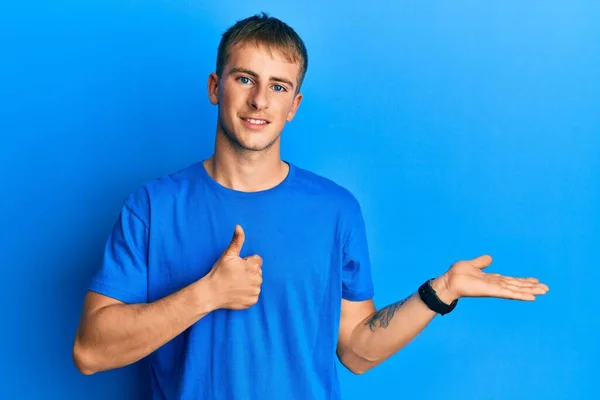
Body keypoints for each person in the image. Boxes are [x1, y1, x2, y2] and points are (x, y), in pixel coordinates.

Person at [72, 12, 549, 400]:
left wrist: (440, 291)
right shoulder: (152, 207)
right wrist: (208, 294)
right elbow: (91, 352)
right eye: (245, 79)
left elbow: (357, 351)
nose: (260, 100)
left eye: (278, 86)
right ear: (216, 87)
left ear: (294, 104)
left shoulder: (335, 210)